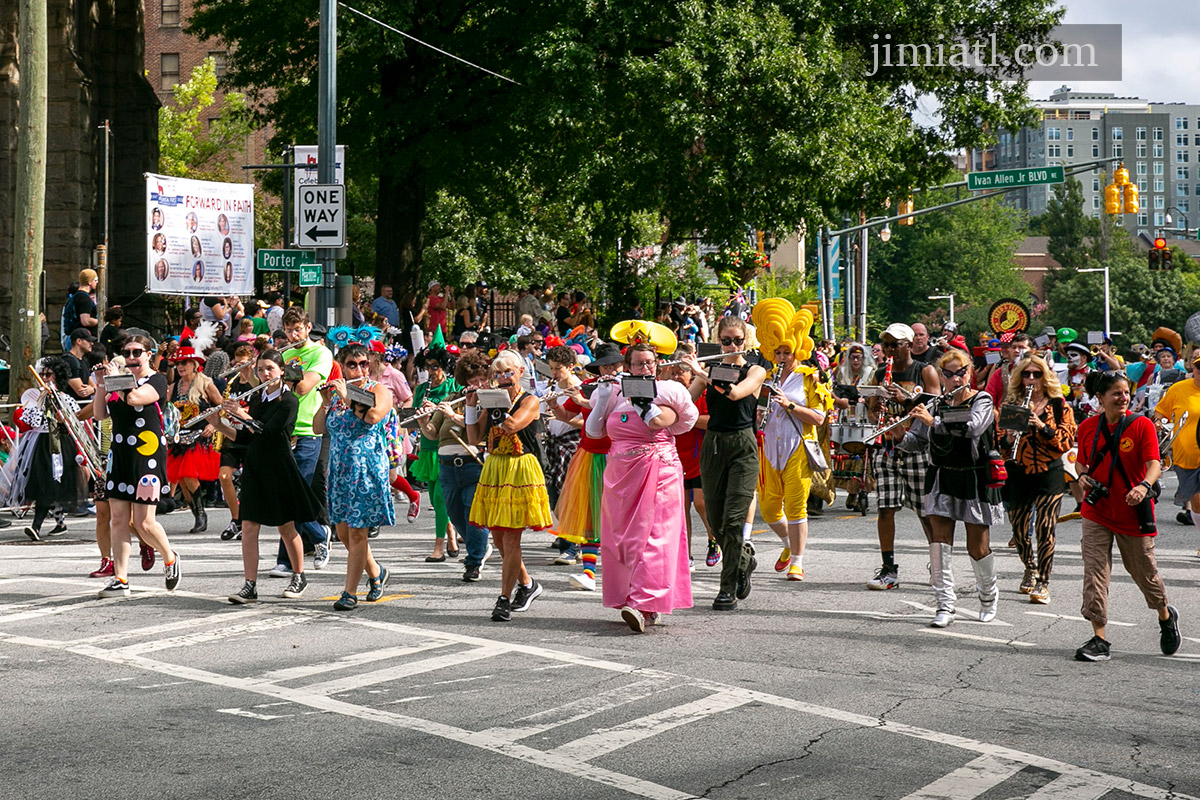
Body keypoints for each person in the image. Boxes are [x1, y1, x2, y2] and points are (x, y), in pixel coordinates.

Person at [588, 339, 698, 631]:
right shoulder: (615, 392)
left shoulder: (668, 390)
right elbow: (594, 431)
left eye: (650, 362)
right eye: (639, 363)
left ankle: (642, 603)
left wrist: (646, 406)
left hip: (658, 468)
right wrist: (601, 398)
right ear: (627, 367)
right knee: (622, 539)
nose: (646, 367)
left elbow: (677, 422)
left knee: (653, 536)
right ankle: (634, 598)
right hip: (621, 473)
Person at [1072, 370, 1180, 661]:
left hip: (1133, 511)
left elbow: (1154, 463)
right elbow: (1082, 464)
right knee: (1095, 572)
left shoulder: (1140, 424)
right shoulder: (1087, 428)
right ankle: (1099, 638)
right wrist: (1082, 478)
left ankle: (1165, 614)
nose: (1123, 398)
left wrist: (1144, 486)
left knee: (1144, 572)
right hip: (1097, 510)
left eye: (1125, 392)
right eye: (1116, 393)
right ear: (1100, 398)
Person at [900, 349, 1004, 627]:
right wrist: (895, 433)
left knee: (977, 546)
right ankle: (944, 605)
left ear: (969, 372)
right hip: (942, 476)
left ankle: (988, 596)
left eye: (961, 373)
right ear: (941, 376)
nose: (955, 378)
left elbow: (973, 427)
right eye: (948, 374)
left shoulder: (981, 399)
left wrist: (933, 422)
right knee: (939, 542)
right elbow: (915, 441)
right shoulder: (935, 404)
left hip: (973, 477)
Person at [214, 350, 323, 603]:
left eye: (270, 369)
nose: (265, 374)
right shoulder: (258, 399)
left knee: (286, 526)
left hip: (279, 466)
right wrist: (221, 425)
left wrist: (243, 416)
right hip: (256, 465)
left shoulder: (289, 401)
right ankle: (249, 585)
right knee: (250, 525)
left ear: (282, 371)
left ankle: (299, 575)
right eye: (261, 369)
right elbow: (247, 437)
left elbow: (270, 432)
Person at [681, 316, 767, 610]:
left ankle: (726, 587)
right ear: (719, 341)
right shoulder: (707, 371)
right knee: (715, 521)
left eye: (737, 340)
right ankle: (744, 560)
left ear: (746, 341)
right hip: (713, 445)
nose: (731, 345)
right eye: (726, 341)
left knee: (732, 522)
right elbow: (685, 402)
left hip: (742, 445)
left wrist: (701, 374)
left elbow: (734, 394)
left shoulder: (755, 370)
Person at [91, 335, 181, 597]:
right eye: (126, 353)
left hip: (147, 455)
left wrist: (114, 380)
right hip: (119, 454)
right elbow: (99, 414)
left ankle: (170, 556)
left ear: (148, 354)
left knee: (144, 523)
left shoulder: (157, 380)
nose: (131, 358)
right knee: (118, 519)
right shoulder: (118, 382)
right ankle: (121, 578)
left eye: (136, 352)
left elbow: (134, 398)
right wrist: (100, 386)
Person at [466, 350, 552, 622]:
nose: (503, 378)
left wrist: (496, 404)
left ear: (520, 373)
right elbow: (474, 436)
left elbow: (513, 425)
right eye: (497, 374)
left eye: (508, 372)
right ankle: (527, 584)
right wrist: (471, 405)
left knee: (512, 536)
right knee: (499, 537)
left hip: (520, 468)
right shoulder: (493, 403)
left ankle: (503, 598)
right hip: (496, 467)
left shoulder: (531, 400)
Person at [752, 301, 833, 582]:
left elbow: (819, 418)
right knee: (769, 509)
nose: (782, 356)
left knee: (797, 506)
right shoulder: (767, 377)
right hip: (769, 448)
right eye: (778, 352)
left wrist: (789, 406)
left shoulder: (811, 378)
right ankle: (788, 544)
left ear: (797, 349)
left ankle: (797, 561)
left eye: (787, 351)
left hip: (798, 447)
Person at [315, 343, 396, 610]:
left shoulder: (377, 390)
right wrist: (326, 402)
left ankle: (349, 592)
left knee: (358, 532)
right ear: (342, 366)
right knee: (343, 532)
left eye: (364, 364)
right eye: (352, 364)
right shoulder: (337, 394)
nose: (359, 369)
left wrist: (349, 398)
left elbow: (373, 416)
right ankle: (376, 572)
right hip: (340, 469)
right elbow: (318, 428)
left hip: (366, 468)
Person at [865, 323, 940, 590]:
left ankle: (938, 565)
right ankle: (888, 568)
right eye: (886, 345)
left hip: (917, 448)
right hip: (887, 447)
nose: (890, 349)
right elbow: (872, 412)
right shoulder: (879, 373)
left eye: (895, 344)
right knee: (885, 507)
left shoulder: (924, 370)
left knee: (925, 510)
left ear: (908, 345)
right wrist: (877, 409)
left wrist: (905, 399)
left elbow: (936, 407)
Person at [998, 354, 1075, 604]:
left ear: (1045, 377)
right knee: (1020, 531)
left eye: (1037, 374)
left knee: (1045, 528)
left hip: (1048, 472)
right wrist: (1009, 437)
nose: (1031, 379)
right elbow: (999, 444)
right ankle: (1029, 567)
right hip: (1018, 472)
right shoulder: (1012, 404)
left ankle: (1043, 581)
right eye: (1027, 374)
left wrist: (1041, 425)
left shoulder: (1057, 404)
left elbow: (1065, 441)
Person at [270, 307, 333, 576]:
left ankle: (287, 560)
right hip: (285, 430)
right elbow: (270, 388)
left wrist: (278, 377)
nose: (293, 334)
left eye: (298, 329)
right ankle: (319, 535)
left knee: (296, 494)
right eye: (289, 330)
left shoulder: (321, 353)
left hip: (309, 430)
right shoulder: (283, 355)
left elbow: (305, 386)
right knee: (286, 495)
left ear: (308, 328)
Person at [554, 342, 623, 586]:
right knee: (591, 515)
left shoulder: (628, 387)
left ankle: (620, 572)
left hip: (619, 456)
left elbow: (615, 416)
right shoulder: (587, 386)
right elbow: (564, 416)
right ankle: (589, 573)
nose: (610, 371)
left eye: (614, 365)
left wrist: (584, 402)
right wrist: (554, 402)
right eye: (605, 367)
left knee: (620, 516)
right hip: (590, 456)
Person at [425, 349, 492, 582]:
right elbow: (432, 434)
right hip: (447, 465)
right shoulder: (450, 398)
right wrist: (424, 419)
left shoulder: (488, 400)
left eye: (483, 379)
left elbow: (480, 431)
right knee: (454, 515)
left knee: (473, 514)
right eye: (474, 380)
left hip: (472, 462)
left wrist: (453, 416)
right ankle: (479, 546)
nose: (479, 384)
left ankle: (473, 562)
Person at [5, 358, 84, 541]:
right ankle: (59, 522)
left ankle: (37, 525)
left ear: (58, 376)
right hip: (40, 443)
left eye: (48, 374)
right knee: (44, 482)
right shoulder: (37, 398)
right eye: (42, 374)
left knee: (52, 482)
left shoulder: (66, 399)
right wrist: (40, 403)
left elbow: (75, 420)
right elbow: (30, 422)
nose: (44, 378)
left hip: (59, 443)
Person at [166, 344, 223, 532]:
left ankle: (201, 515)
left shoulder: (205, 383)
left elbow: (222, 407)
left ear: (194, 364)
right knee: (181, 479)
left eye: (185, 363)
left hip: (199, 437)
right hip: (178, 439)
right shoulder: (173, 387)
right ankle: (197, 514)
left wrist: (213, 425)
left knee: (189, 475)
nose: (181, 366)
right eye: (178, 363)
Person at [1153, 351, 1200, 532]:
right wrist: (1158, 422)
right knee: (1197, 502)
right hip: (1186, 456)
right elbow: (1160, 412)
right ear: (1192, 368)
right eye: (1198, 367)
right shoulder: (1178, 389)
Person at [217, 344, 259, 541]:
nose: (240, 366)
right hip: (232, 435)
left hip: (249, 436)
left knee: (249, 481)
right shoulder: (231, 383)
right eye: (237, 362)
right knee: (224, 476)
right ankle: (236, 519)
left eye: (245, 363)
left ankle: (248, 518)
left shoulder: (257, 383)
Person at [60, 268, 99, 349]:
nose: (97, 282)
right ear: (89, 282)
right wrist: (100, 321)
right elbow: (85, 321)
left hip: (72, 337)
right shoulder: (84, 298)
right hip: (81, 340)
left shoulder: (75, 297)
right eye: (95, 280)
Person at [62, 329, 97, 403]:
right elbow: (81, 391)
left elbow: (93, 385)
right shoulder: (69, 361)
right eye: (88, 341)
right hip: (74, 406)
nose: (92, 344)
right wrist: (93, 389)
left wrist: (92, 389)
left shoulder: (84, 361)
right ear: (79, 341)